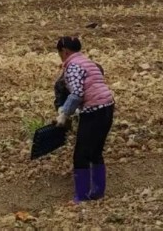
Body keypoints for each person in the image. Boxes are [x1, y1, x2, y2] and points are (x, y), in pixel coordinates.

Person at [54, 36, 114, 203]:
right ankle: (98, 192)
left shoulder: (73, 66)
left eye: (59, 53)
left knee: (80, 155)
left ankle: (81, 196)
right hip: (108, 107)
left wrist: (64, 114)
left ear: (64, 52)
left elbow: (77, 94)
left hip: (94, 111)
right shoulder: (88, 62)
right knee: (95, 152)